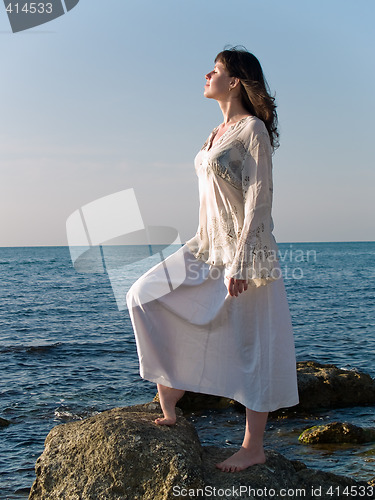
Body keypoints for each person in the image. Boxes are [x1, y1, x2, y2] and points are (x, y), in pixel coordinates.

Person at [126, 47, 299, 473]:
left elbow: (259, 198)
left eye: (216, 70)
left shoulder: (251, 130)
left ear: (235, 80)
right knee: (142, 295)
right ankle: (171, 396)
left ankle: (252, 445)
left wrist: (241, 260)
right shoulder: (216, 132)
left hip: (246, 252)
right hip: (205, 247)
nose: (207, 74)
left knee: (252, 342)